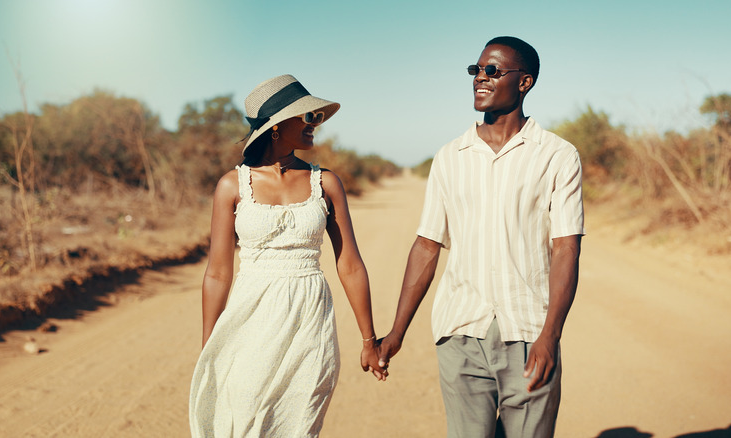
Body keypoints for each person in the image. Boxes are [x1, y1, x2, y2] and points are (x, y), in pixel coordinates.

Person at [378, 36, 585, 438]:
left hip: (528, 333)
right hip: (460, 331)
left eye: (492, 70)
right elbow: (427, 245)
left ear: (524, 82)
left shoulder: (557, 156)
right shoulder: (450, 156)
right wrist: (397, 333)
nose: (480, 78)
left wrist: (550, 336)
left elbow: (566, 248)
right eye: (476, 70)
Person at [189, 74, 386, 438]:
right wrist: (209, 348)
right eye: (308, 117)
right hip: (250, 316)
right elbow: (217, 273)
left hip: (309, 317)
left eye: (317, 117)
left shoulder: (326, 183)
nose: (316, 124)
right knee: (243, 414)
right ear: (277, 126)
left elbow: (350, 265)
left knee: (299, 420)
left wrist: (368, 340)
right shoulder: (232, 186)